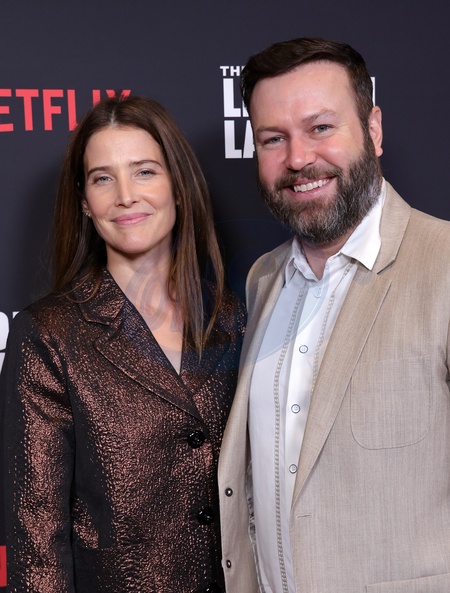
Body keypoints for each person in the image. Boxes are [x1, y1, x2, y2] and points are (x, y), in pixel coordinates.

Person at [218, 37, 450, 593]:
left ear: (373, 129)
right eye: (273, 139)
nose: (298, 158)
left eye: (320, 127)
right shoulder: (262, 279)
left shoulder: (443, 264)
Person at [1, 95, 245, 593]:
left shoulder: (233, 318)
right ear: (85, 203)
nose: (126, 196)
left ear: (178, 185)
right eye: (102, 179)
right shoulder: (48, 334)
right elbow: (36, 539)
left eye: (145, 172)